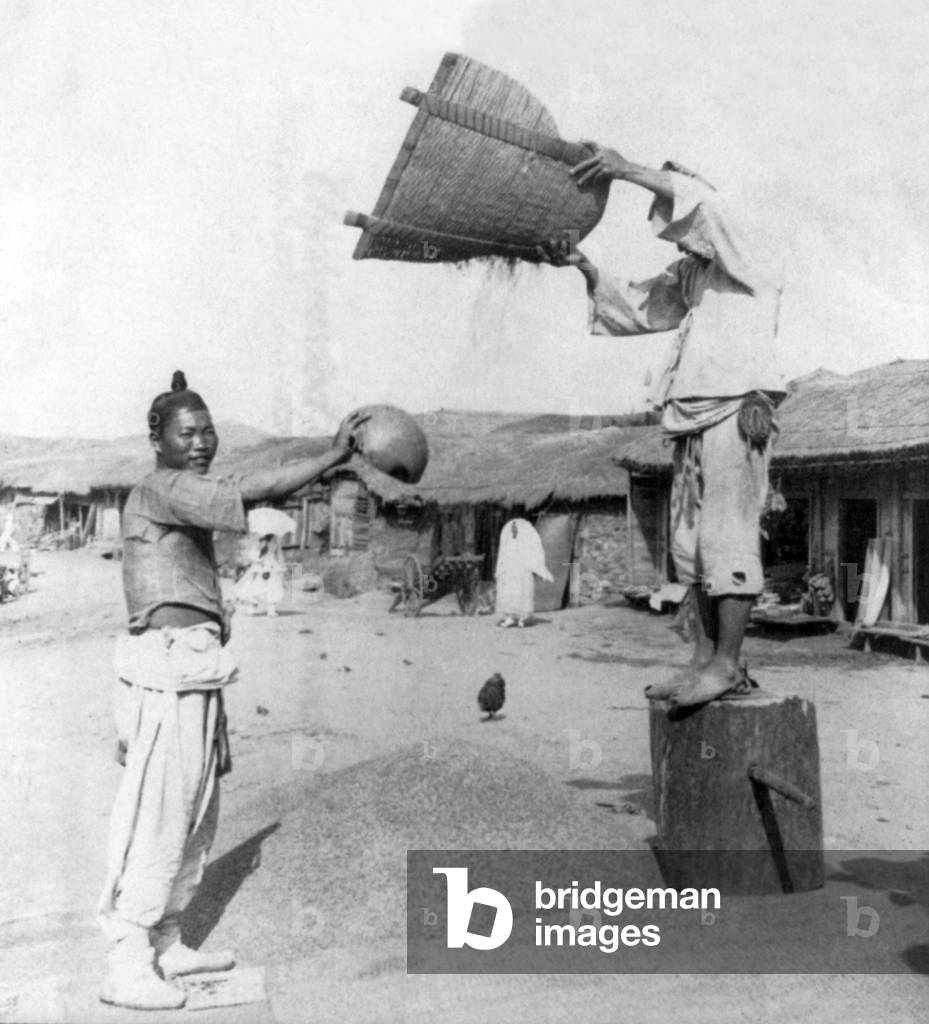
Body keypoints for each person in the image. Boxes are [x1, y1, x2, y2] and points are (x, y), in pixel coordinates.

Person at [97, 370, 365, 1010]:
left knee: (195, 810)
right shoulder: (162, 489)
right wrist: (331, 456)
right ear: (157, 441)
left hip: (196, 667)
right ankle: (125, 957)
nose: (200, 442)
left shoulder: (180, 495)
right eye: (186, 432)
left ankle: (165, 939)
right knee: (162, 812)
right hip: (166, 672)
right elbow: (249, 488)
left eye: (208, 431)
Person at [541, 146, 785, 707]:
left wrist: (626, 170)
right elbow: (640, 306)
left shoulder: (750, 245)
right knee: (693, 542)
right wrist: (583, 266)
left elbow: (710, 208)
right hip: (693, 412)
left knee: (727, 535)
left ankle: (726, 664)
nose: (673, 227)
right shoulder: (697, 274)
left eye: (673, 204)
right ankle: (704, 660)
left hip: (734, 405)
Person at [494, 518, 553, 628]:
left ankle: (522, 618)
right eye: (512, 529)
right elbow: (502, 558)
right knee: (509, 595)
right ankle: (510, 617)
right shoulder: (508, 543)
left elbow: (534, 556)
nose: (514, 531)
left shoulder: (525, 544)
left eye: (516, 529)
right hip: (510, 574)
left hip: (522, 574)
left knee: (523, 594)